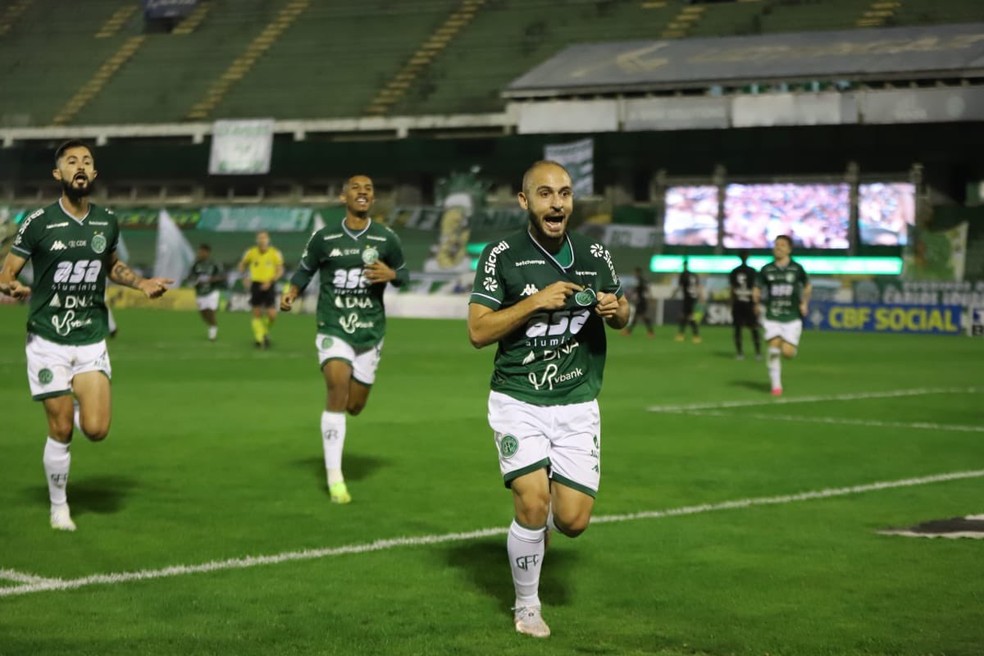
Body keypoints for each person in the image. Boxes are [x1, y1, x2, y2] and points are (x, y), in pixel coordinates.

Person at [467, 161, 629, 638]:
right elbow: (477, 331)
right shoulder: (503, 254)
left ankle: (539, 534)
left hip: (577, 400)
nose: (556, 202)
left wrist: (618, 309)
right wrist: (535, 301)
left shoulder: (595, 254)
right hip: (519, 398)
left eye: (564, 193)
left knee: (573, 521)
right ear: (525, 202)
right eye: (544, 193)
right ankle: (527, 606)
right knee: (533, 503)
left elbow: (624, 318)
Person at [0, 140, 173, 531]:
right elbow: (7, 272)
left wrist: (141, 282)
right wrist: (10, 286)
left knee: (96, 430)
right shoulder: (39, 223)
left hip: (90, 336)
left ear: (93, 175)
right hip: (47, 339)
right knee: (60, 429)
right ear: (58, 174)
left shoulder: (105, 221)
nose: (80, 166)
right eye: (71, 161)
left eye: (87, 162)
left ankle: (76, 402)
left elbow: (111, 265)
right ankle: (59, 506)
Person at [280, 174, 407, 504]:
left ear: (372, 199)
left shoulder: (386, 238)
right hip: (333, 324)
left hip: (370, 330)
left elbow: (404, 274)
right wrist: (292, 292)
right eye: (356, 188)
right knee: (336, 387)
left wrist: (392, 275)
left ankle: (339, 447)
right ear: (343, 197)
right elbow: (305, 270)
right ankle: (335, 479)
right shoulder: (325, 237)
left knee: (355, 405)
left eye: (368, 189)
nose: (363, 192)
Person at [753, 235, 811, 396]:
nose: (778, 248)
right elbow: (757, 288)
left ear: (789, 249)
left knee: (786, 352)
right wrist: (756, 302)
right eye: (776, 245)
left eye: (782, 245)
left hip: (792, 317)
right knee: (773, 346)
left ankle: (790, 350)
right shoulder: (767, 269)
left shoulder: (796, 269)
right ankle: (776, 385)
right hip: (772, 315)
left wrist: (804, 302)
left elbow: (807, 286)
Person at [238, 230, 283, 348]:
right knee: (256, 313)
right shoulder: (251, 252)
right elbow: (242, 265)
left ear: (268, 240)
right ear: (256, 240)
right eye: (260, 238)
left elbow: (280, 270)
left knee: (272, 315)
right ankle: (259, 339)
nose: (262, 240)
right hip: (256, 284)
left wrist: (271, 281)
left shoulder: (275, 253)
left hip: (269, 284)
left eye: (264, 238)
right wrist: (244, 277)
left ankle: (263, 332)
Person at [186, 243, 224, 341]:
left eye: (202, 252)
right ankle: (211, 325)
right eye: (199, 252)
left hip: (212, 291)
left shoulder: (214, 264)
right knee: (203, 314)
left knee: (211, 311)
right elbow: (190, 276)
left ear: (207, 253)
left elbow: (221, 276)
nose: (200, 254)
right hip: (200, 293)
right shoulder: (195, 264)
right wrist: (195, 280)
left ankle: (213, 331)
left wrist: (210, 279)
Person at [729, 250, 761, 360]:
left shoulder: (734, 271)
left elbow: (732, 289)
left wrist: (731, 303)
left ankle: (740, 353)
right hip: (749, 302)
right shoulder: (752, 271)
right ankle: (758, 353)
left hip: (738, 302)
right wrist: (756, 304)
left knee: (738, 328)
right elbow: (756, 289)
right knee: (753, 328)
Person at [673, 257, 703, 343]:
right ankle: (684, 334)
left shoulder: (683, 275)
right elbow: (698, 287)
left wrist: (673, 293)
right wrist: (701, 296)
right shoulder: (694, 275)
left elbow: (680, 286)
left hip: (688, 298)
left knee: (688, 316)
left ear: (684, 265)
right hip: (694, 297)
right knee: (687, 316)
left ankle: (693, 335)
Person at [621, 266, 655, 337]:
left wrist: (650, 297)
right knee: (637, 317)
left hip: (641, 300)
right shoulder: (641, 280)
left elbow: (644, 290)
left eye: (635, 272)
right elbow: (644, 289)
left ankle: (650, 332)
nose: (634, 274)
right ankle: (629, 331)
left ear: (638, 272)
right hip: (641, 300)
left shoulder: (640, 280)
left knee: (643, 316)